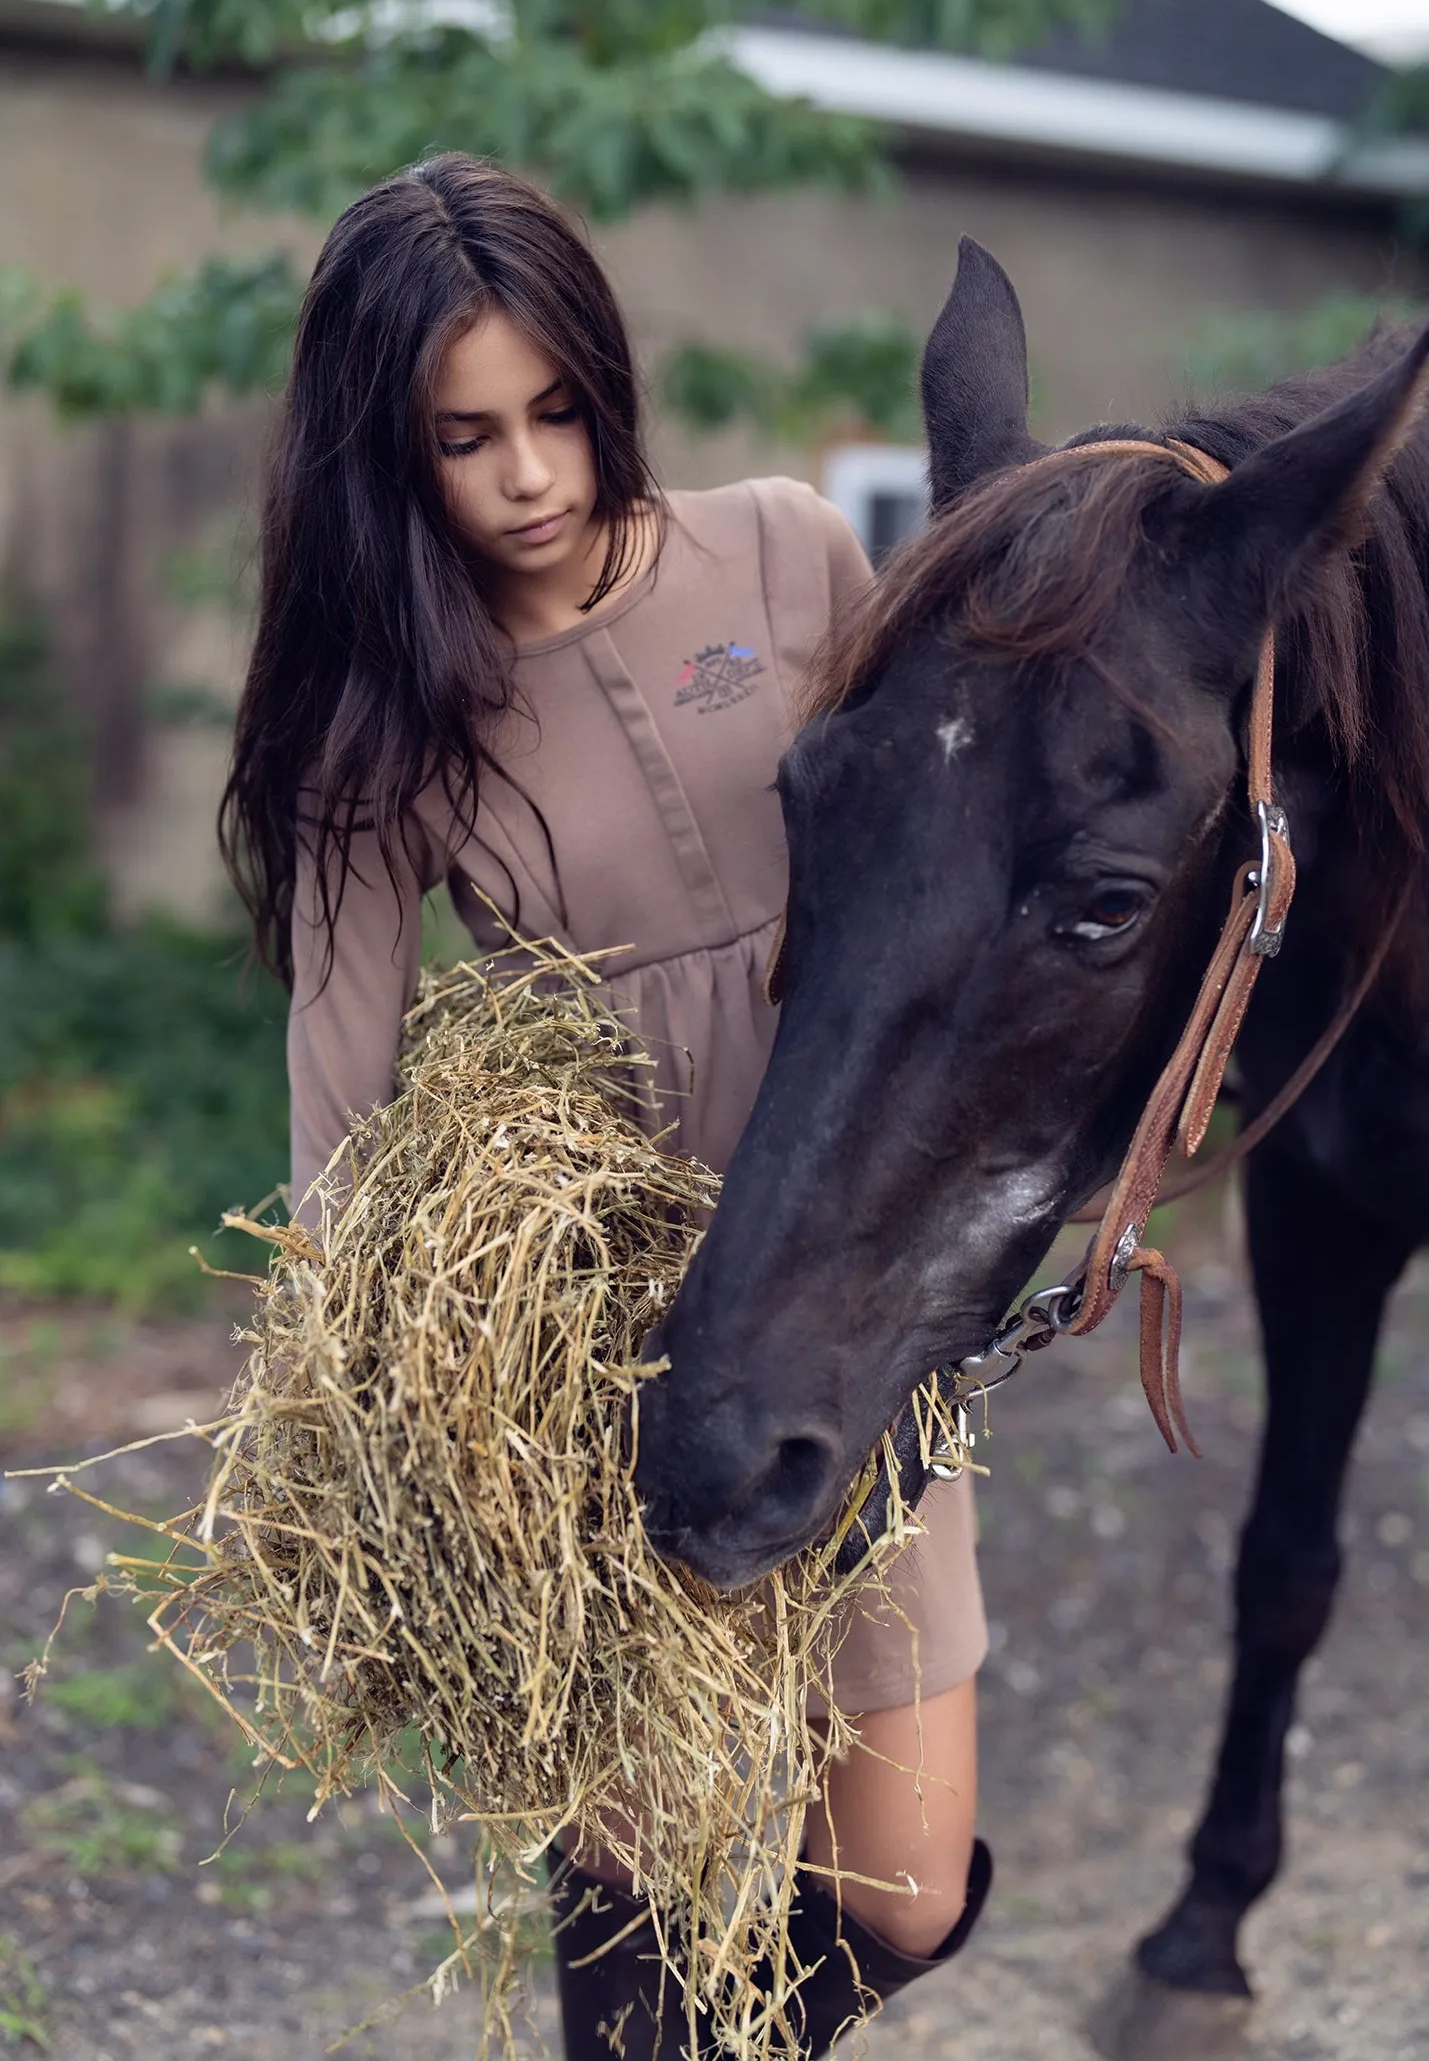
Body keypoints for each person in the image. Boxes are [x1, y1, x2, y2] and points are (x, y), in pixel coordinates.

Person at [220, 153, 991, 2058]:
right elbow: (341, 1098)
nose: (532, 477)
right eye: (466, 438)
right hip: (595, 1363)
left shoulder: (791, 552)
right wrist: (366, 1410)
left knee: (906, 1887)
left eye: (558, 410)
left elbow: (946, 849)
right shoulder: (382, 717)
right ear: (385, 458)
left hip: (853, 1291)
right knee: (634, 1925)